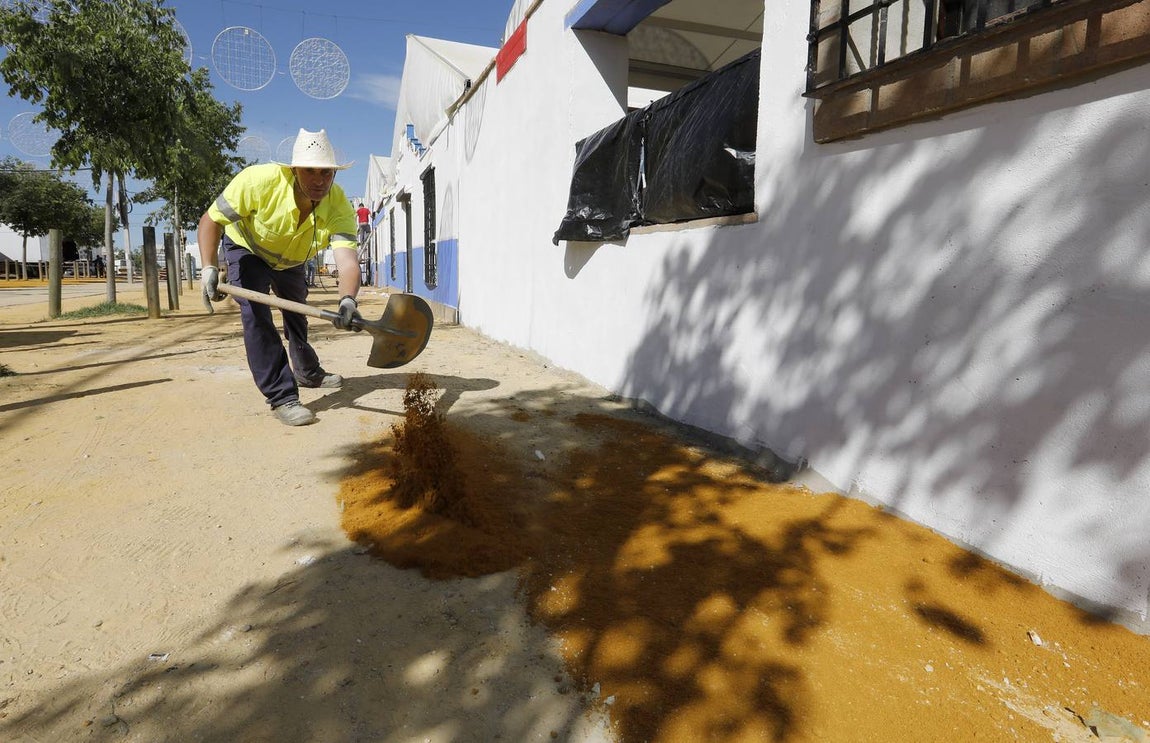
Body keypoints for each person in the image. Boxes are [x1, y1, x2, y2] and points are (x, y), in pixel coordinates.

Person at [199, 128, 362, 427]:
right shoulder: (258, 182)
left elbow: (347, 262)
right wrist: (209, 266)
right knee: (256, 315)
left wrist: (347, 300)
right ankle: (282, 396)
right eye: (310, 171)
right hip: (247, 249)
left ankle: (308, 372)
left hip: (292, 260)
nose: (319, 181)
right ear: (294, 169)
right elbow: (210, 220)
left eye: (326, 173)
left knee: (296, 312)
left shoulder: (339, 204)